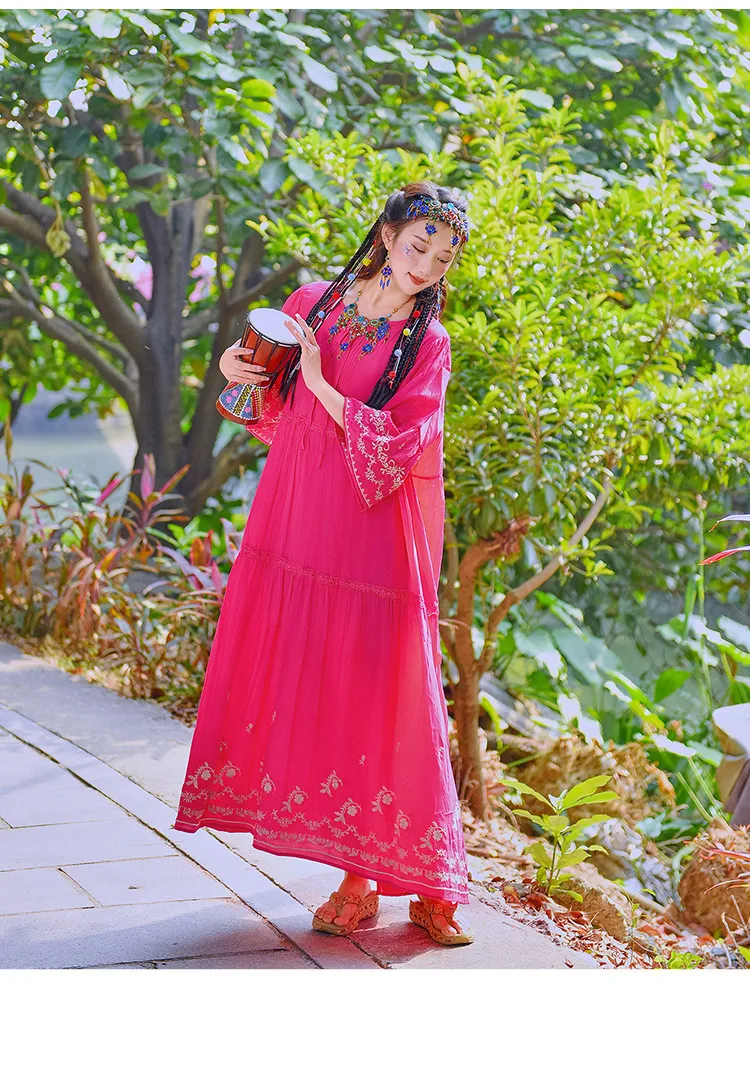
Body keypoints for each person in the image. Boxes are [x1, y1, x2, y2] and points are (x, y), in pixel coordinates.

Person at [172, 181, 474, 947]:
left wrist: (316, 382)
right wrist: (236, 369)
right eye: (419, 245)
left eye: (442, 258)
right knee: (315, 686)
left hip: (370, 534)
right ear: (387, 234)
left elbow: (402, 444)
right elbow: (267, 405)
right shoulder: (314, 303)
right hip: (296, 516)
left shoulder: (429, 342)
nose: (426, 265)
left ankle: (410, 881)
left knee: (376, 692)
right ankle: (357, 878)